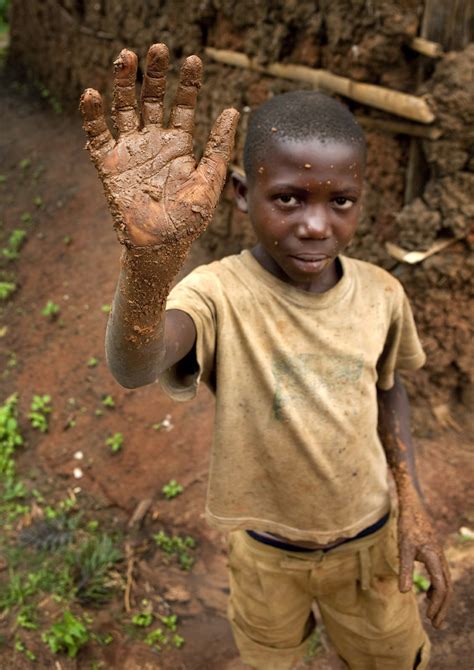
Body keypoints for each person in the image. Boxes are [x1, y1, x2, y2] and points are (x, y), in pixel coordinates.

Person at [80, 43, 451, 670]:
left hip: (369, 542)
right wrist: (148, 266)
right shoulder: (219, 294)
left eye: (340, 201)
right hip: (266, 552)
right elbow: (134, 364)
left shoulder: (383, 294)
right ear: (240, 192)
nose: (315, 224)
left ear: (363, 197)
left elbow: (389, 387)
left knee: (392, 656)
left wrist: (412, 506)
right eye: (288, 198)